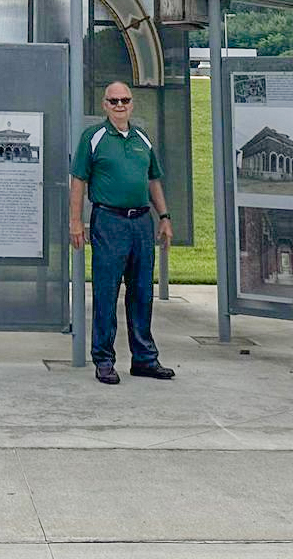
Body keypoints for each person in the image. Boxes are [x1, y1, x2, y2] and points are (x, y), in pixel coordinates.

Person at [69, 80, 176, 384]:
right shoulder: (94, 137)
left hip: (141, 222)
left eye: (124, 100)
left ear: (132, 103)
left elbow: (153, 179)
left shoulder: (143, 138)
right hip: (109, 221)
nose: (119, 106)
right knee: (106, 291)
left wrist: (164, 216)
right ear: (104, 105)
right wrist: (75, 221)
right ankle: (103, 359)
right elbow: (78, 180)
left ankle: (144, 358)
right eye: (113, 101)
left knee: (142, 291)